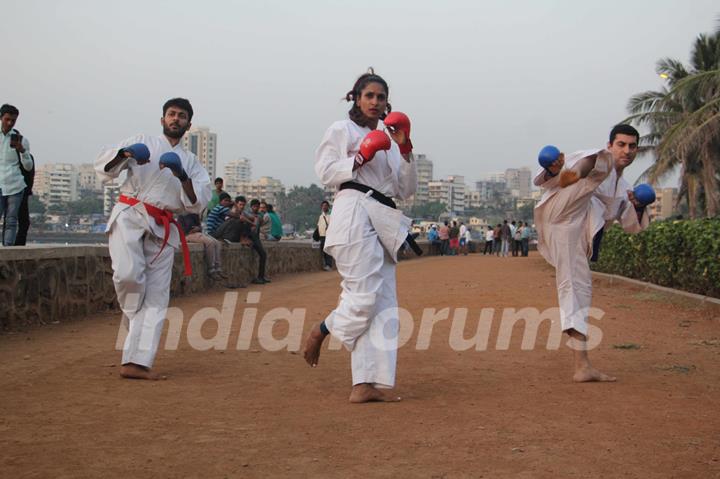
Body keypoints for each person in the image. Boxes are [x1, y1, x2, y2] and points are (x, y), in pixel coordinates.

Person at [302, 69, 416, 403]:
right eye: (369, 95)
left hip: (382, 216)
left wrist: (406, 148)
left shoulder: (392, 143)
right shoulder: (341, 129)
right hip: (352, 209)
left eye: (381, 97)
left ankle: (365, 383)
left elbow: (405, 190)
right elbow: (324, 171)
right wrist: (361, 156)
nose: (375, 102)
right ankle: (320, 330)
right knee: (364, 293)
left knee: (383, 304)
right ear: (356, 97)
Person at [94, 97, 211, 380]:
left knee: (157, 299)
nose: (176, 119)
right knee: (128, 277)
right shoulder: (142, 139)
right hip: (130, 215)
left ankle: (136, 362)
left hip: (164, 229)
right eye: (171, 114)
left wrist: (182, 176)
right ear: (162, 119)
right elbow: (105, 170)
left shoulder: (192, 162)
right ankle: (135, 316)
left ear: (188, 124)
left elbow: (198, 203)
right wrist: (126, 154)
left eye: (181, 116)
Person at [534, 124, 651, 382]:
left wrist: (639, 205)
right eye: (621, 144)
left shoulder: (624, 189)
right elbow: (590, 161)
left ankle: (582, 364)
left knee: (578, 289)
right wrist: (562, 171)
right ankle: (582, 366)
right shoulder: (602, 158)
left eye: (632, 146)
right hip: (562, 210)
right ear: (611, 144)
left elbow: (632, 225)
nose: (627, 150)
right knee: (598, 164)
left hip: (574, 231)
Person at [0, 104, 34, 246]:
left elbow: (28, 166)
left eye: (13, 120)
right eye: (7, 119)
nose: (10, 123)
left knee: (12, 220)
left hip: (15, 184)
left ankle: (8, 249)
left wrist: (22, 151)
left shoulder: (21, 140)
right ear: (1, 118)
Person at [177, 212, 226, 280]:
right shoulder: (181, 215)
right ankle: (211, 270)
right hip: (187, 235)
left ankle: (218, 269)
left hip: (198, 233)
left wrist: (198, 228)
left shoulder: (194, 214)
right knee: (210, 243)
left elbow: (200, 226)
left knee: (217, 243)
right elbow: (181, 230)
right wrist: (192, 230)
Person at [247, 199, 270, 284]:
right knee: (263, 254)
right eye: (254, 206)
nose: (256, 208)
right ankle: (260, 277)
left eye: (257, 206)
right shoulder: (247, 214)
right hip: (250, 237)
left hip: (256, 237)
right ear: (251, 206)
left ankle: (261, 276)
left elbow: (261, 222)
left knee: (263, 255)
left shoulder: (259, 215)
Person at [317, 200, 333, 270]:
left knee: (328, 251)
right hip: (322, 236)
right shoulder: (321, 216)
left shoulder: (331, 216)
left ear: (328, 207)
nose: (324, 207)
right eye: (323, 206)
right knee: (323, 251)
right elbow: (318, 226)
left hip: (328, 235)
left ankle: (329, 265)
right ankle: (326, 264)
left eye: (325, 206)